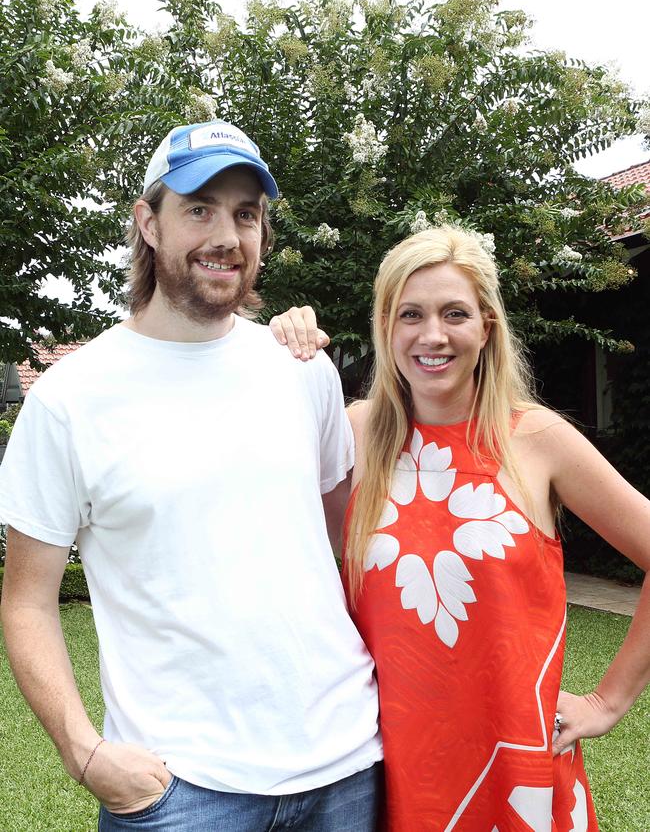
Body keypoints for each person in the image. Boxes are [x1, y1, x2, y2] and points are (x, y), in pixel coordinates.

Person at [0, 120, 382, 831]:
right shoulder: (69, 399)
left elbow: (356, 543)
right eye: (199, 208)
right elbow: (26, 601)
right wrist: (85, 752)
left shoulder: (304, 369)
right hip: (185, 790)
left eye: (246, 214)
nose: (226, 235)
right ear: (149, 222)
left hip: (349, 768)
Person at [271, 225, 650, 831]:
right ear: (386, 327)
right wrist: (280, 349)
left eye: (455, 314)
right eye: (410, 315)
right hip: (382, 772)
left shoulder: (535, 438)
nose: (433, 335)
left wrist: (607, 701)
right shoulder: (353, 434)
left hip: (517, 769)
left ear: (486, 327)